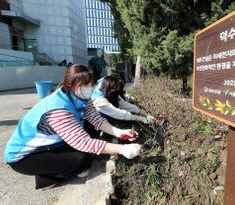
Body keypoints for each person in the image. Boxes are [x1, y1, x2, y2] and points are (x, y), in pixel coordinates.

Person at [3, 64, 141, 190]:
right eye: (85, 84)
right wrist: (122, 149)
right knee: (80, 160)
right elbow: (84, 142)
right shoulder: (58, 109)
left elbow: (96, 119)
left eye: (91, 83)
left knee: (90, 133)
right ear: (71, 85)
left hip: (51, 142)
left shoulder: (82, 97)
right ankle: (45, 177)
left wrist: (119, 132)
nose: (90, 88)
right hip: (25, 156)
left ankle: (55, 163)